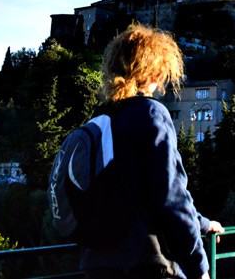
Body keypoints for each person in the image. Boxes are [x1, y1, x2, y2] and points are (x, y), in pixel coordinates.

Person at [81, 23, 223, 279]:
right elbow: (171, 196)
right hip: (145, 263)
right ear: (154, 72)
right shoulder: (150, 113)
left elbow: (131, 192)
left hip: (97, 263)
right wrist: (199, 267)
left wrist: (203, 223)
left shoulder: (101, 118)